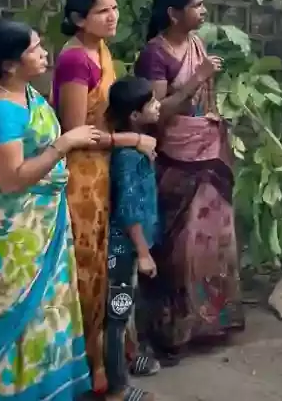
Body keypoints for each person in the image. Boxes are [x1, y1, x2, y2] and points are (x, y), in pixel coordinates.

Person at [0, 19, 99, 401]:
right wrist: (63, 145)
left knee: (48, 310)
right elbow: (11, 180)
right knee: (23, 314)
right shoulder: (0, 111)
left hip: (44, 226)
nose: (44, 53)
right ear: (10, 64)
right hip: (16, 239)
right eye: (34, 49)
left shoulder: (25, 92)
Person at [53, 0, 156, 394]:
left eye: (114, 8)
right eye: (102, 11)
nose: (113, 16)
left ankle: (121, 352)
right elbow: (76, 132)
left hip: (105, 166)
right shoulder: (76, 61)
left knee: (114, 267)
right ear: (80, 19)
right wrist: (131, 139)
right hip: (83, 175)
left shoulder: (101, 49)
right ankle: (96, 370)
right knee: (92, 270)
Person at [133, 0, 241, 362]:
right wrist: (197, 78)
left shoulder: (196, 43)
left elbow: (202, 102)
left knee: (214, 241)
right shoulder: (154, 55)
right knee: (181, 249)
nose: (204, 11)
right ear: (173, 13)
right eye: (197, 5)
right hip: (177, 159)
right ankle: (174, 330)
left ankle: (212, 321)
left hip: (208, 154)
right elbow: (156, 115)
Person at [104, 76, 162, 401]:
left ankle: (129, 358)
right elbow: (128, 209)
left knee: (125, 313)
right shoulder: (129, 157)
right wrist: (143, 253)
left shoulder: (137, 145)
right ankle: (117, 388)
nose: (158, 106)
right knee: (116, 316)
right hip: (124, 250)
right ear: (135, 116)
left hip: (128, 248)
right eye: (152, 103)